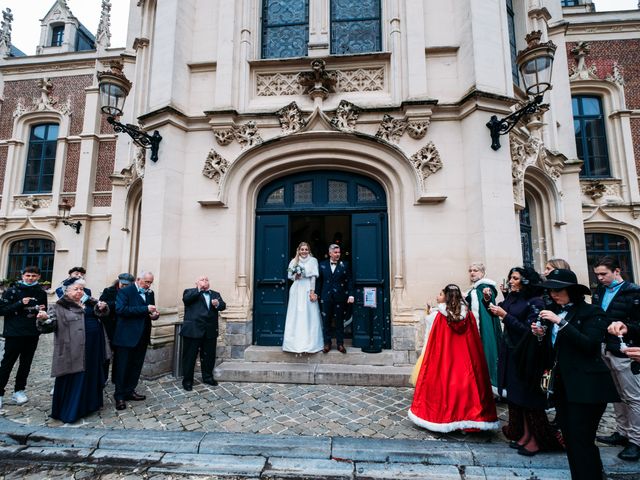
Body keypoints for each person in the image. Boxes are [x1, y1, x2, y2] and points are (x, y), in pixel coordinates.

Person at [533, 269, 619, 480]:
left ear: (572, 291)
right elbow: (552, 350)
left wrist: (560, 323)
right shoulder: (552, 311)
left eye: (559, 290)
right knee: (571, 438)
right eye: (551, 291)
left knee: (582, 438)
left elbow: (589, 345)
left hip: (587, 386)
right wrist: (541, 335)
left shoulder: (592, 312)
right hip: (563, 385)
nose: (554, 295)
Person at [491, 267, 562, 456]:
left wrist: (504, 316)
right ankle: (523, 433)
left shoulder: (535, 302)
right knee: (516, 397)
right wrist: (492, 301)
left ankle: (536, 438)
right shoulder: (515, 298)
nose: (511, 281)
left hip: (527, 355)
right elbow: (503, 310)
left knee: (527, 397)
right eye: (510, 278)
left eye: (515, 278)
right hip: (511, 351)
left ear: (526, 281)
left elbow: (526, 329)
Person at [408, 284, 499, 432]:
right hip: (466, 360)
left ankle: (445, 418)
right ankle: (469, 418)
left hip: (446, 360)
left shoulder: (441, 316)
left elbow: (436, 341)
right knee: (468, 388)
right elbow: (473, 340)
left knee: (446, 387)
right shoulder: (468, 315)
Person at [37, 279, 111, 423]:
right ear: (67, 291)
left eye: (81, 289)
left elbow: (102, 314)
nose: (79, 292)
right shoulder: (59, 306)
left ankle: (90, 406)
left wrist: (102, 307)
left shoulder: (89, 302)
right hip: (72, 349)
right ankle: (72, 410)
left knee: (91, 375)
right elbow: (48, 326)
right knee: (75, 377)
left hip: (93, 347)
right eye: (76, 289)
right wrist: (44, 319)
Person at [591, 256, 640, 461]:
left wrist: (628, 327)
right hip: (605, 348)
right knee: (617, 395)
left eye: (604, 274)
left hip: (625, 350)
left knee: (633, 397)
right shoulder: (601, 290)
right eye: (597, 275)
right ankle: (622, 432)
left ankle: (636, 441)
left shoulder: (633, 292)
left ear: (617, 271)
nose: (600, 278)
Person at [0, 266, 48, 409]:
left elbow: (43, 309)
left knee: (25, 364)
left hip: (32, 333)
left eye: (33, 276)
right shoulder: (12, 291)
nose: (30, 278)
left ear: (38, 277)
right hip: (14, 333)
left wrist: (42, 314)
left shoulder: (40, 292)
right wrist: (20, 303)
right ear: (22, 276)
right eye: (28, 275)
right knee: (7, 364)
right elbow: (2, 310)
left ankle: (19, 390)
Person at [113, 271, 159, 411]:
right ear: (138, 280)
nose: (148, 285)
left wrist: (153, 315)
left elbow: (149, 312)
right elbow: (121, 310)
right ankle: (119, 395)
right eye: (146, 282)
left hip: (143, 335)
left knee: (136, 365)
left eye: (150, 282)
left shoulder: (150, 293)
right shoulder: (125, 291)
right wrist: (144, 308)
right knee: (122, 366)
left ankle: (130, 390)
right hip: (126, 336)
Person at [181, 275, 226, 390]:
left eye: (206, 280)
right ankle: (187, 381)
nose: (205, 281)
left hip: (210, 331)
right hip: (193, 331)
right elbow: (187, 300)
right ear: (196, 283)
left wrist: (217, 304)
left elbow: (223, 306)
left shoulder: (215, 294)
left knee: (208, 356)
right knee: (190, 357)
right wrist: (199, 289)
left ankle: (208, 377)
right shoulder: (189, 292)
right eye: (202, 280)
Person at [465, 262, 502, 391]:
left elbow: (488, 298)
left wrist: (487, 296)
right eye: (470, 270)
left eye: (475, 270)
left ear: (482, 272)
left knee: (487, 351)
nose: (472, 273)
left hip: (485, 327)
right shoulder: (474, 289)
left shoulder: (485, 287)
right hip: (475, 327)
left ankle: (489, 385)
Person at [282, 242, 324, 354]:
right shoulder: (293, 261)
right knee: (296, 314)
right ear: (298, 250)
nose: (304, 251)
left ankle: (310, 343)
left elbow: (313, 277)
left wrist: (312, 292)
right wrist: (297, 275)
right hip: (296, 289)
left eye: (306, 249)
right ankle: (294, 343)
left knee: (309, 314)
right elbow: (289, 276)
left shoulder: (313, 260)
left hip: (307, 289)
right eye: (302, 249)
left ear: (309, 250)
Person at [316, 244, 354, 354]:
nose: (338, 254)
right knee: (326, 321)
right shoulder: (322, 264)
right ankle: (327, 343)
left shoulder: (345, 265)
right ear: (330, 253)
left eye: (339, 252)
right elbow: (319, 281)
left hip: (340, 296)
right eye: (335, 252)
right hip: (326, 296)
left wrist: (351, 295)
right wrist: (317, 294)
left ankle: (340, 344)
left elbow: (349, 280)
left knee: (339, 321)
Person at [99, 273, 135, 382]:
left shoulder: (132, 293)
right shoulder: (108, 291)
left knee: (119, 356)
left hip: (123, 328)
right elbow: (101, 304)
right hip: (110, 326)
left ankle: (116, 378)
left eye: (127, 285)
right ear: (118, 282)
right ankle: (103, 378)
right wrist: (116, 303)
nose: (124, 287)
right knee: (106, 354)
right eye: (122, 284)